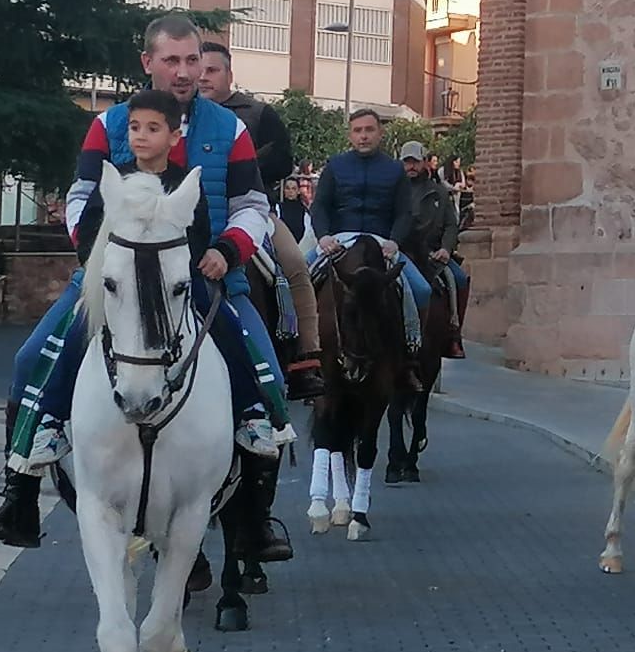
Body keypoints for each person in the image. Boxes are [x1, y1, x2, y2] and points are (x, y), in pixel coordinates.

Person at [0, 18, 293, 546]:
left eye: (194, 61)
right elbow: (79, 198)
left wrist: (226, 250)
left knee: (265, 371)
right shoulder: (109, 125)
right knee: (33, 359)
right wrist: (95, 254)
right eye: (173, 61)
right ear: (148, 63)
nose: (185, 72)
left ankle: (255, 519)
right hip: (113, 278)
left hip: (200, 277)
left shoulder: (229, 130)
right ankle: (18, 493)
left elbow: (251, 207)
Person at [198, 42, 323, 398]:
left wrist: (243, 170)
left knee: (295, 263)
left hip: (251, 211)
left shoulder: (257, 113)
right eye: (200, 69)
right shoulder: (180, 113)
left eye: (213, 70)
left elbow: (284, 158)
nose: (204, 77)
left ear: (229, 75)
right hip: (193, 214)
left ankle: (305, 359)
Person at [309, 108, 424, 354]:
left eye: (369, 130)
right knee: (295, 284)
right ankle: (299, 359)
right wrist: (323, 236)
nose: (363, 136)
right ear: (350, 136)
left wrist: (394, 241)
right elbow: (319, 206)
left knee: (422, 290)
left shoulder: (395, 170)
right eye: (357, 131)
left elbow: (404, 212)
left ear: (380, 134)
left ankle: (413, 356)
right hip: (338, 241)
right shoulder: (335, 166)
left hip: (382, 244)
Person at [400, 141, 468, 359]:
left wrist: (446, 249)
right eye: (407, 162)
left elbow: (451, 224)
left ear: (424, 163)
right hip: (404, 250)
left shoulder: (439, 193)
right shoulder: (396, 192)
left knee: (459, 279)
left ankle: (453, 335)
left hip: (435, 253)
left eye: (415, 162)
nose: (411, 166)